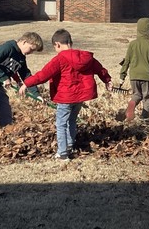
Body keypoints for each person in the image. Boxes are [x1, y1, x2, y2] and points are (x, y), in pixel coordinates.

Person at [20, 29, 112, 161]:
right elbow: (100, 69)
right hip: (79, 98)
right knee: (72, 121)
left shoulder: (60, 59)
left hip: (65, 98)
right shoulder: (86, 57)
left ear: (57, 44)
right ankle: (70, 145)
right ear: (70, 42)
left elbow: (43, 75)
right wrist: (107, 80)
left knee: (61, 123)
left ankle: (62, 153)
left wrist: (26, 84)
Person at [119, 17, 149, 121]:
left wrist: (122, 76)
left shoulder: (132, 44)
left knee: (137, 94)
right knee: (147, 98)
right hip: (146, 76)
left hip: (134, 75)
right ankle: (144, 118)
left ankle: (132, 104)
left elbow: (126, 61)